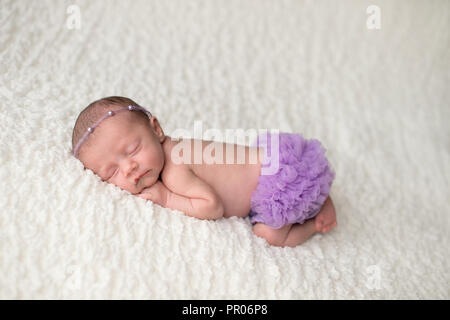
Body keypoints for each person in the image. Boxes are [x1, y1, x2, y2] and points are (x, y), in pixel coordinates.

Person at [72, 96, 337, 247]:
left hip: (279, 181)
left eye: (132, 149)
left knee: (268, 236)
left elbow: (212, 207)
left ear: (156, 129)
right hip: (280, 162)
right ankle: (318, 195)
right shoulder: (175, 149)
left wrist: (166, 198)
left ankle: (314, 222)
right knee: (301, 188)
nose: (129, 168)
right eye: (112, 173)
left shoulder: (175, 166)